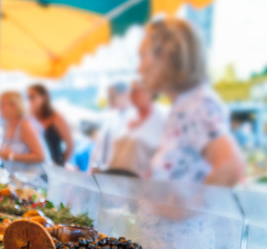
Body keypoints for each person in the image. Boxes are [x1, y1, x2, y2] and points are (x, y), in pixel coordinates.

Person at [139, 18, 244, 186]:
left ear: (167, 55)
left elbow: (231, 166)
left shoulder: (198, 104)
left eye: (143, 57)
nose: (140, 68)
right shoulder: (184, 104)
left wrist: (190, 210)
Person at [106, 80, 166, 177]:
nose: (131, 95)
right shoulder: (129, 116)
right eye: (131, 91)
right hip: (116, 178)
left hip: (140, 182)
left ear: (149, 92)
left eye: (135, 91)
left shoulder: (162, 117)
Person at [0, 91, 47, 184]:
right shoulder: (6, 124)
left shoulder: (25, 125)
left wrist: (11, 156)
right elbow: (8, 154)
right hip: (16, 180)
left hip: (33, 182)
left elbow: (41, 156)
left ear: (14, 106)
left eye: (2, 104)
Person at [89, 82, 136, 172]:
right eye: (108, 96)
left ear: (125, 95)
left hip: (119, 171)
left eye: (112, 96)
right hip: (103, 170)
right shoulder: (109, 117)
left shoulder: (133, 117)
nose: (109, 100)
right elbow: (99, 145)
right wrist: (94, 165)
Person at [27, 84, 74, 166]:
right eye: (28, 98)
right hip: (34, 166)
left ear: (43, 97)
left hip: (53, 165)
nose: (30, 101)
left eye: (32, 97)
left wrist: (59, 164)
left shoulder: (56, 118)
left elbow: (70, 145)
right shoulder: (29, 118)